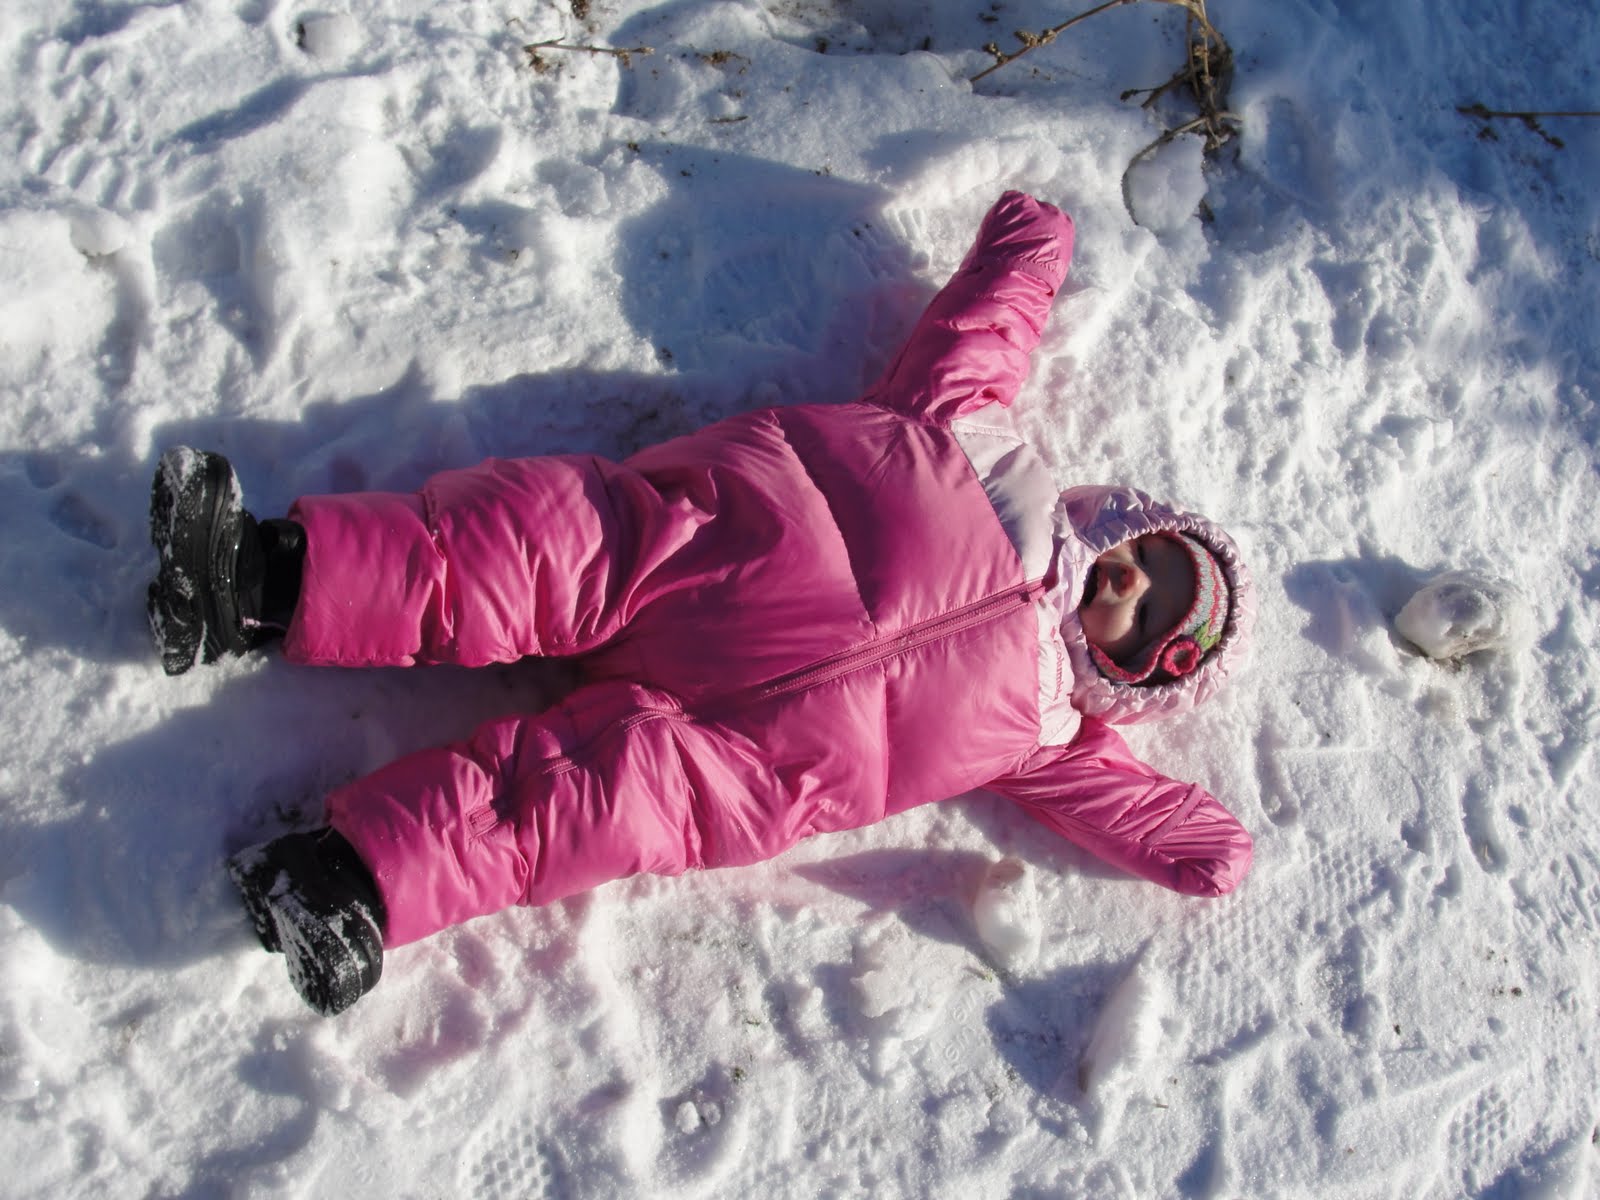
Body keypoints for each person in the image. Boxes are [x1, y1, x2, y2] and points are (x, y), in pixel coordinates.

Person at [147, 191, 1255, 1016]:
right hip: (691, 553)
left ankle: (351, 882)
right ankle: (256, 578)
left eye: (1149, 622)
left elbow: (1133, 810)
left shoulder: (1056, 727)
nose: (1127, 589)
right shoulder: (980, 439)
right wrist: (1032, 245)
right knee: (507, 549)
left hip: (731, 758)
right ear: (1128, 521)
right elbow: (985, 331)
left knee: (561, 812)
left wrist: (1207, 846)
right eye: (1148, 562)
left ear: (1136, 674)